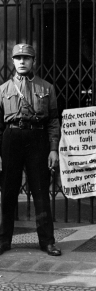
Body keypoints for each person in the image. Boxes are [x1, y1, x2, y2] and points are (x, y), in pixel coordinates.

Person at [0, 43, 61, 256]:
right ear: (13, 61)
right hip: (12, 138)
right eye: (18, 58)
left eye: (26, 58)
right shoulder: (3, 90)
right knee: (7, 192)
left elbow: (53, 120)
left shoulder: (46, 88)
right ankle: (3, 240)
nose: (22, 61)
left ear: (34, 61)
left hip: (37, 139)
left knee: (41, 193)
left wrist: (53, 149)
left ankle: (47, 242)